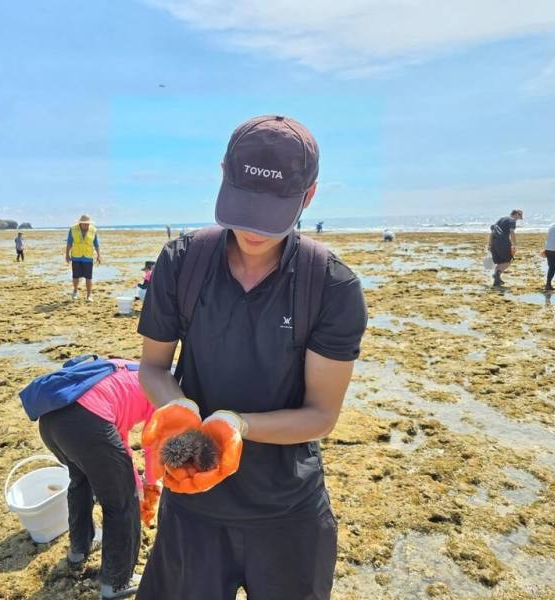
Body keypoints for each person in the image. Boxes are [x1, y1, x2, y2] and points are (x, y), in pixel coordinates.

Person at [136, 115, 368, 600]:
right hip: (192, 507)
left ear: (308, 196)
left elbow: (321, 415)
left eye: (274, 210)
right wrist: (181, 412)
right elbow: (154, 367)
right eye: (243, 205)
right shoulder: (182, 262)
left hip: (287, 513)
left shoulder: (330, 285)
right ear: (223, 174)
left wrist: (235, 426)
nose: (253, 228)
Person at [38, 359, 157, 599]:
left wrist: (131, 476)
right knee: (122, 503)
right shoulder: (162, 390)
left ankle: (78, 550)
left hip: (52, 420)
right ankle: (116, 582)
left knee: (81, 480)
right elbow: (153, 443)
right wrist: (149, 484)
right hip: (88, 424)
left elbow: (116, 437)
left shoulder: (129, 371)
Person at [66, 214, 101, 301]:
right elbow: (69, 243)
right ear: (80, 223)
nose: (86, 225)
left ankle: (89, 295)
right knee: (75, 276)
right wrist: (67, 254)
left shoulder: (93, 230)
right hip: (76, 256)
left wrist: (99, 255)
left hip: (88, 256)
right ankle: (75, 291)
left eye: (88, 223)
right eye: (84, 223)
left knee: (89, 277)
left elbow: (96, 244)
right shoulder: (73, 229)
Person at [488, 209, 523, 287]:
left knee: (500, 263)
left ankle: (496, 281)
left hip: (494, 242)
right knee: (507, 261)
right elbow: (512, 232)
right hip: (503, 242)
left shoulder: (501, 219)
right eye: (520, 216)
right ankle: (496, 275)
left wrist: (490, 244)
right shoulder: (512, 220)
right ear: (516, 214)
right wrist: (514, 245)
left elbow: (492, 232)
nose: (519, 218)